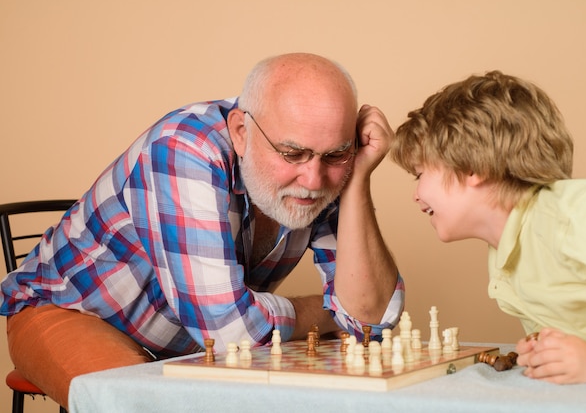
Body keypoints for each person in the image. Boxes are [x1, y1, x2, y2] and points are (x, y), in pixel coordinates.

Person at [1, 52, 405, 408]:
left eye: (335, 154)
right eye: (292, 153)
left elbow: (372, 319)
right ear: (241, 133)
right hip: (73, 312)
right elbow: (231, 330)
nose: (314, 180)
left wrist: (357, 179)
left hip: (193, 341)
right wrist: (325, 312)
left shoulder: (331, 167)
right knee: (138, 403)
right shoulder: (184, 149)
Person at [390, 70, 586, 385]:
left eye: (420, 174)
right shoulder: (505, 252)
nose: (416, 195)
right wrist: (547, 351)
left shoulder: (575, 213)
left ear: (473, 166)